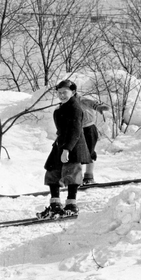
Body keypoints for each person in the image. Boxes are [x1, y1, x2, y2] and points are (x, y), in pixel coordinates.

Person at [38, 80, 91, 219]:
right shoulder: (63, 106)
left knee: (72, 174)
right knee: (52, 171)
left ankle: (71, 205)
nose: (61, 95)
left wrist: (67, 149)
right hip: (60, 144)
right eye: (59, 93)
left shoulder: (75, 108)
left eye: (65, 92)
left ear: (73, 92)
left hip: (73, 145)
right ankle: (55, 205)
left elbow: (76, 131)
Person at [78, 95, 107, 185]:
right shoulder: (65, 103)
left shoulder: (81, 100)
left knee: (89, 152)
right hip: (76, 130)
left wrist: (98, 107)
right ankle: (77, 178)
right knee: (75, 154)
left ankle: (89, 176)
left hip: (88, 128)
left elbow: (91, 103)